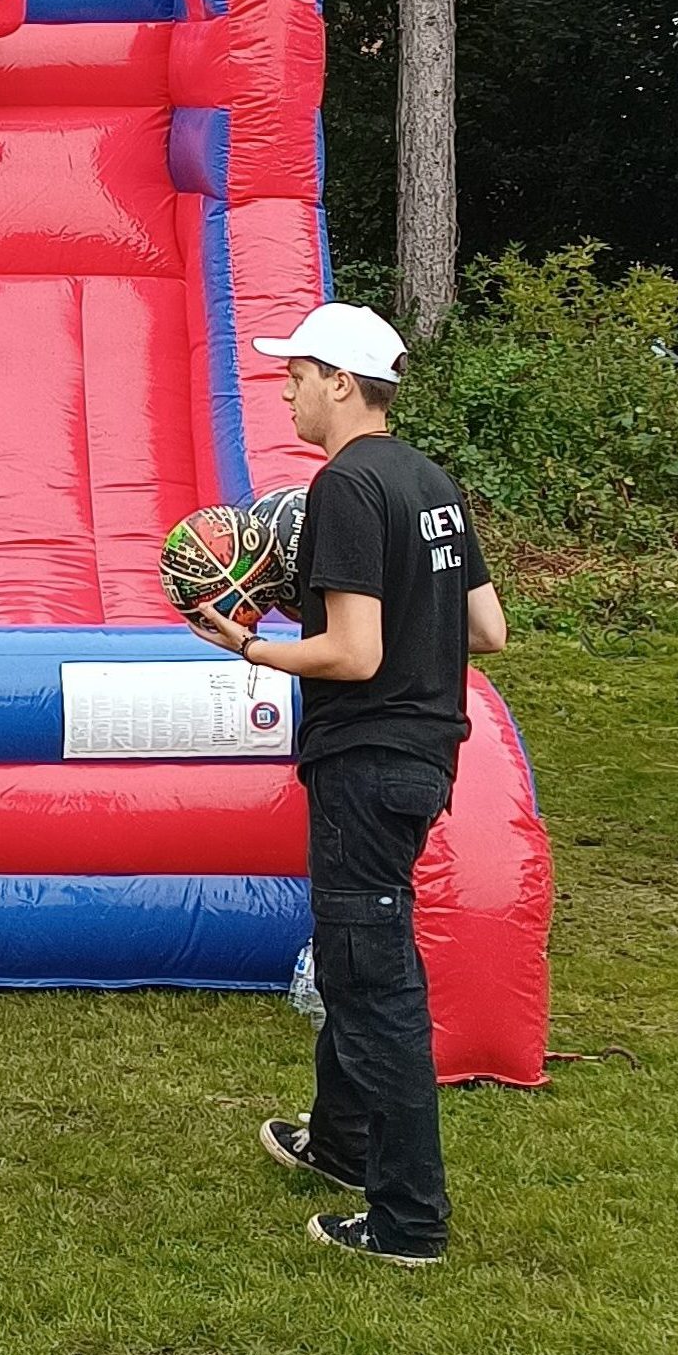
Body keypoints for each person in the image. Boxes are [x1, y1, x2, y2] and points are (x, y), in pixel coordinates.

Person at [186, 303, 508, 1266]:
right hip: (421, 756)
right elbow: (486, 630)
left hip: (367, 759)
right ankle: (337, 1142)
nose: (284, 390)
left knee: (373, 983)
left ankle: (408, 1221)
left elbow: (353, 650)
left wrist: (247, 642)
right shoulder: (428, 479)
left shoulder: (344, 487)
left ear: (339, 381)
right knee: (350, 946)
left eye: (295, 374)